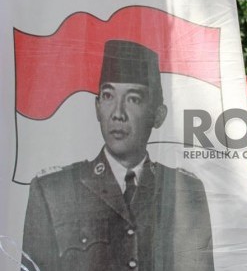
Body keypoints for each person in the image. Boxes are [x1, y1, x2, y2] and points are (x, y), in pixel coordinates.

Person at [21, 40, 214, 271]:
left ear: (158, 115)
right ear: (97, 107)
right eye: (108, 96)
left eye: (134, 99)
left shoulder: (185, 189)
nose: (118, 114)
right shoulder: (53, 191)